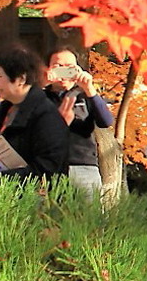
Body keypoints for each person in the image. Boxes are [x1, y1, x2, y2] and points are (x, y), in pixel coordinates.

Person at [0, 47, 71, 179]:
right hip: (7, 192)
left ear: (21, 79)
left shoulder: (45, 115)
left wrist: (1, 177)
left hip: (35, 196)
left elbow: (48, 168)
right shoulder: (3, 111)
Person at [46, 49, 114, 199]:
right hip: (50, 167)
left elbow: (106, 121)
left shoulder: (85, 95)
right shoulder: (40, 97)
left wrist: (89, 88)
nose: (63, 72)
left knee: (88, 219)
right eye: (58, 66)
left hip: (84, 166)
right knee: (50, 218)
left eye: (69, 67)